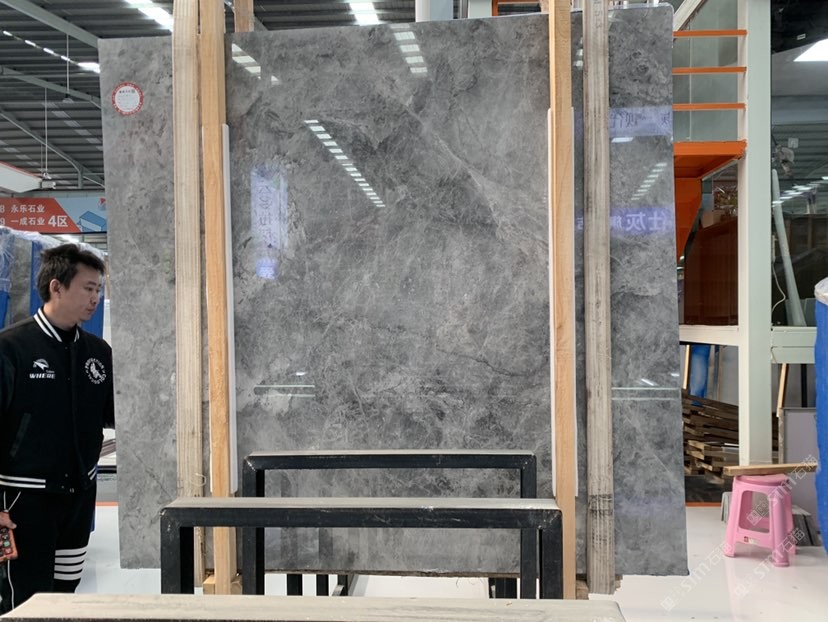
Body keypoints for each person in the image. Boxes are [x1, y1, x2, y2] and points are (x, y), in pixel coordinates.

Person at [0, 243, 114, 612]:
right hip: (23, 501)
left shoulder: (97, 352)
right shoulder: (11, 347)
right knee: (24, 600)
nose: (95, 298)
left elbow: (111, 415)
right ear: (56, 287)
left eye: (98, 289)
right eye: (88, 288)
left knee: (65, 598)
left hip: (78, 498)